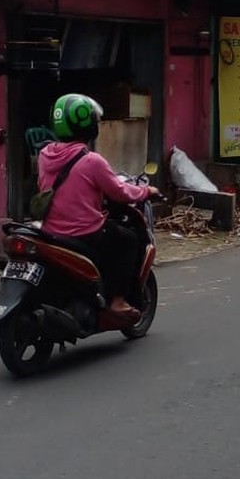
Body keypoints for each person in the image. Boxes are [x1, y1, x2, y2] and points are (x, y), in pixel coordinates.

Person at [36, 93, 150, 316]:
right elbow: (120, 191)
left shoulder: (44, 155)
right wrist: (146, 191)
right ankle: (117, 300)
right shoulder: (92, 161)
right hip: (85, 232)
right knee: (128, 240)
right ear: (87, 124)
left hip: (51, 232)